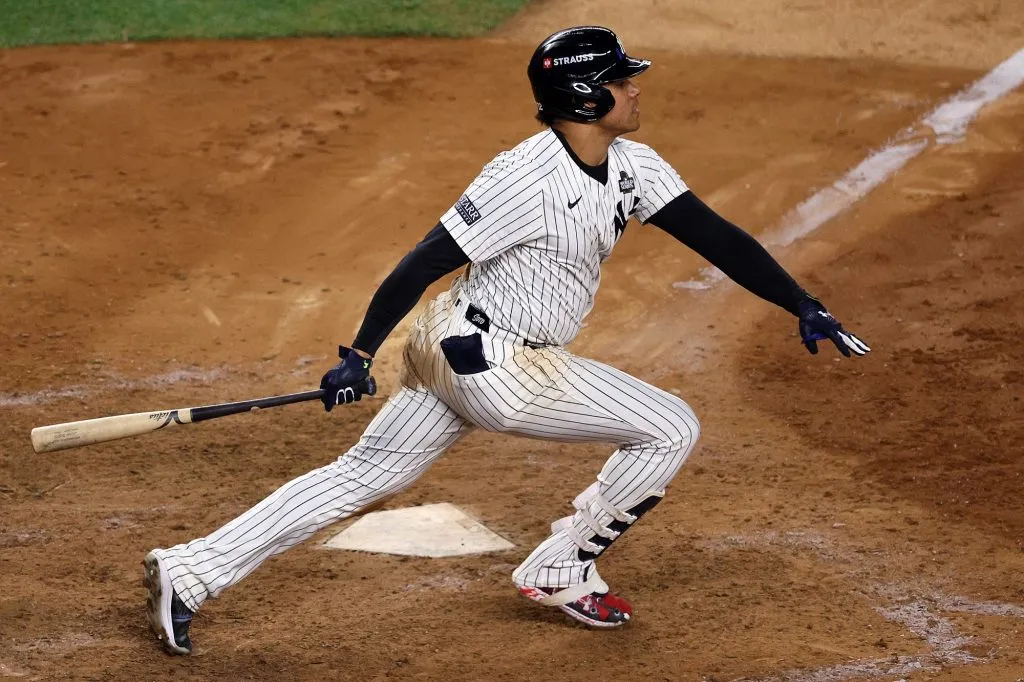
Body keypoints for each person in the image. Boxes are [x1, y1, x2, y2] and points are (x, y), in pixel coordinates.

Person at [142, 25, 870, 655]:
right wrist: (360, 354)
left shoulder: (634, 166)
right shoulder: (525, 177)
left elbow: (716, 236)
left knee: (363, 476)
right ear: (588, 98)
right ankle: (558, 569)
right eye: (622, 81)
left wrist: (799, 303)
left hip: (454, 348)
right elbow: (423, 261)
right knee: (670, 427)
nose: (636, 90)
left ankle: (194, 568)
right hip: (498, 367)